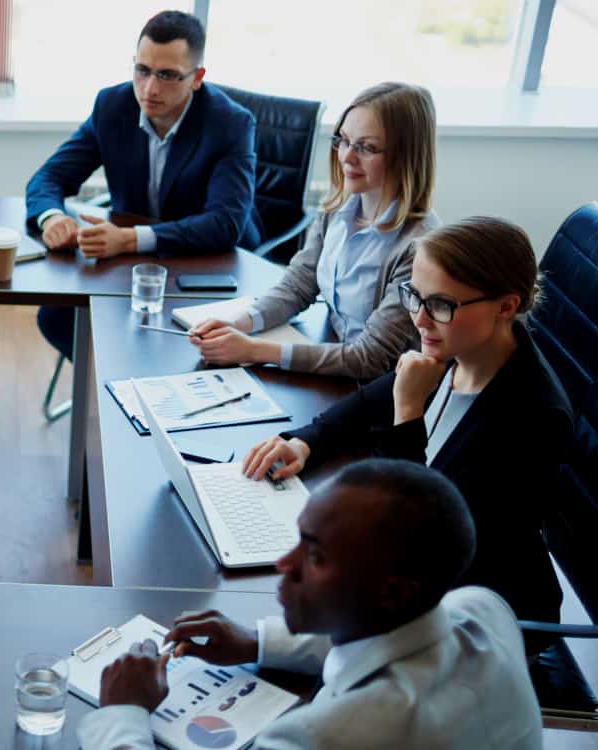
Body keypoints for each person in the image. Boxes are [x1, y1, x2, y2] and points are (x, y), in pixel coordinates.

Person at [242, 217, 571, 625]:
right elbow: (368, 402)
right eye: (415, 296)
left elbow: (421, 539)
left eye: (440, 305)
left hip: (477, 617)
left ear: (507, 306)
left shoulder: (532, 419)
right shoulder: (463, 346)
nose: (420, 319)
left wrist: (409, 413)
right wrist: (305, 441)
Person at [82, 459, 543, 750]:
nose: (286, 563)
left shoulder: (325, 737)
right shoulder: (483, 608)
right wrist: (258, 642)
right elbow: (393, 638)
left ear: (393, 592)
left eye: (316, 555)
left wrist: (124, 712)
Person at [26, 9, 261, 361]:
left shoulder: (230, 124)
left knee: (182, 349)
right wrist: (52, 218)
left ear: (197, 77)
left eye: (167, 75)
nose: (149, 89)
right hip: (130, 266)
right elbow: (48, 178)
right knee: (56, 318)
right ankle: (111, 392)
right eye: (142, 70)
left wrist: (129, 238)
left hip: (208, 265)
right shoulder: (113, 106)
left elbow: (225, 224)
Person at [189, 82, 441, 378]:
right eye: (344, 141)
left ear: (406, 155)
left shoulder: (418, 247)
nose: (347, 157)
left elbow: (371, 357)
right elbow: (298, 285)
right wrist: (239, 322)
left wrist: (252, 350)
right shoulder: (337, 208)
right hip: (330, 359)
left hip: (380, 387)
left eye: (367, 147)